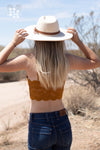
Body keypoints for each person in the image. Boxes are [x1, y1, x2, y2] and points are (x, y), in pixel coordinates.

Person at [0, 16, 100, 150]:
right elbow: (95, 62)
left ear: (37, 39)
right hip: (62, 122)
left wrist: (13, 42)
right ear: (59, 39)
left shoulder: (28, 60)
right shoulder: (66, 59)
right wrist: (78, 41)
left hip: (39, 124)